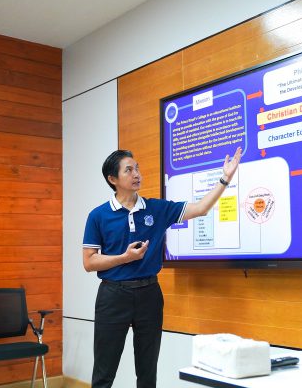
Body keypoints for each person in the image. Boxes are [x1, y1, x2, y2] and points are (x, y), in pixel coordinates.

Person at [82, 147, 242, 388]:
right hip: (112, 296)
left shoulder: (157, 209)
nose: (137, 174)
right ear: (113, 179)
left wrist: (225, 179)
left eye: (137, 168)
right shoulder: (98, 215)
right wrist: (124, 258)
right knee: (104, 372)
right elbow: (89, 262)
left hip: (149, 295)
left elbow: (201, 208)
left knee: (148, 371)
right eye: (129, 170)